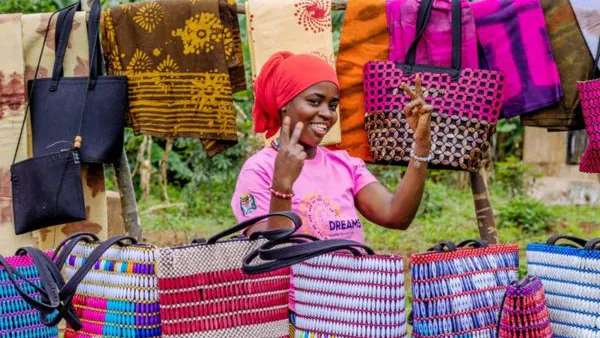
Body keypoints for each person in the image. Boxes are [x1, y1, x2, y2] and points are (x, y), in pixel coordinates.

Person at [231, 51, 433, 243]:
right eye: (314, 101)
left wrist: (421, 145)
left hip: (353, 279)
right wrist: (283, 186)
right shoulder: (258, 170)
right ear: (284, 104)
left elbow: (395, 216)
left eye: (332, 105)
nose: (327, 113)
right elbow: (269, 255)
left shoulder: (345, 165)